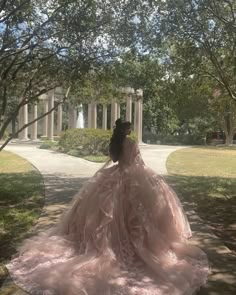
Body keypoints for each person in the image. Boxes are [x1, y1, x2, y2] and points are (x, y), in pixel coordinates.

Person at [7, 118, 209, 295]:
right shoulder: (130, 142)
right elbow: (137, 161)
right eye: (129, 128)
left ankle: (107, 243)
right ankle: (136, 245)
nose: (130, 131)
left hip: (115, 176)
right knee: (138, 214)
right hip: (134, 176)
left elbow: (114, 159)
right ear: (127, 130)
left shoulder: (115, 143)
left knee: (107, 214)